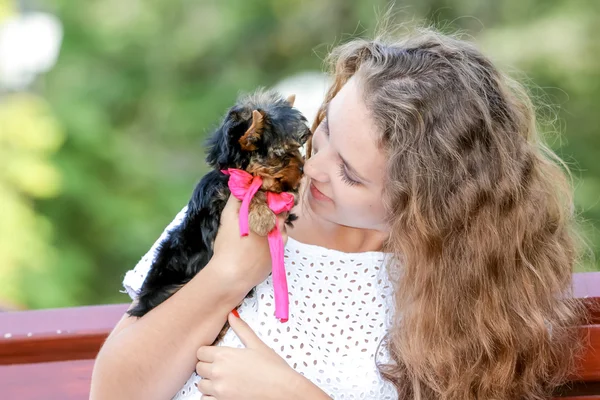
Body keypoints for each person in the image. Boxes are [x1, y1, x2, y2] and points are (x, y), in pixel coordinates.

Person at [90, 25, 588, 400]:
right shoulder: (240, 208)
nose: (312, 169)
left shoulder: (469, 299)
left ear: (427, 206)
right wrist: (225, 276)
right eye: (324, 129)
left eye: (351, 174)